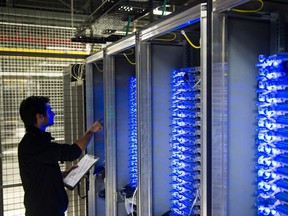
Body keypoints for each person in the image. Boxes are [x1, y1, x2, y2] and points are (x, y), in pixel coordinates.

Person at [18, 96, 103, 216]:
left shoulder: (34, 142)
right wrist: (91, 131)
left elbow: (39, 175)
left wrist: (63, 174)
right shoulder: (34, 144)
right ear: (39, 117)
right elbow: (72, 152)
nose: (54, 113)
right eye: (49, 110)